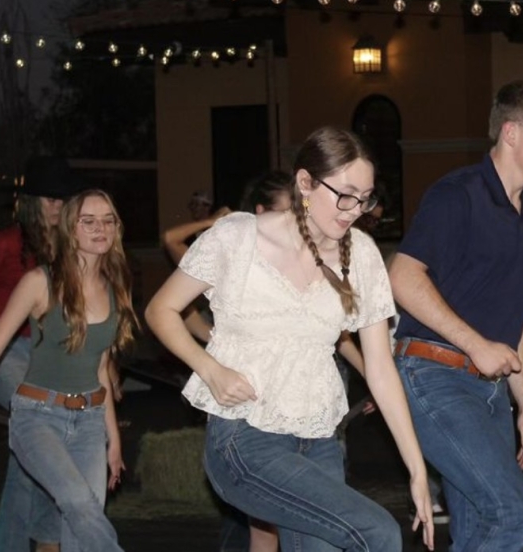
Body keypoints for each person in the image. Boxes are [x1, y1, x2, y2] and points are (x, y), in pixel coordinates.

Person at [146, 126, 434, 551]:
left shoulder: (364, 255)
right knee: (377, 532)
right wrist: (210, 369)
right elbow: (160, 309)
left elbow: (379, 367)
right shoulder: (237, 237)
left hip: (319, 442)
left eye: (366, 197)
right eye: (346, 194)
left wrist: (417, 468)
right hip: (245, 440)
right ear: (305, 183)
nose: (355, 209)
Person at [390, 78, 523, 551]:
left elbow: (513, 323)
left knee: (479, 529)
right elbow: (403, 277)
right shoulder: (459, 194)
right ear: (511, 133)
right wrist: (475, 345)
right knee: (514, 513)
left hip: (490, 393)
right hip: (435, 374)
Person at [0, 189, 137, 550]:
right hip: (37, 417)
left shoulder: (115, 289)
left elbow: (100, 369)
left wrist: (114, 438)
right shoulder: (39, 282)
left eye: (108, 221)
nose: (100, 229)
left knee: (77, 530)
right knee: (80, 505)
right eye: (89, 221)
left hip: (90, 423)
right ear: (70, 229)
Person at [0, 155, 85, 552]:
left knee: (32, 459)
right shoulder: (5, 243)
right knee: (43, 422)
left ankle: (37, 542)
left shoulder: (72, 247)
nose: (56, 206)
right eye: (48, 198)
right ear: (31, 201)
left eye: (62, 198)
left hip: (45, 352)